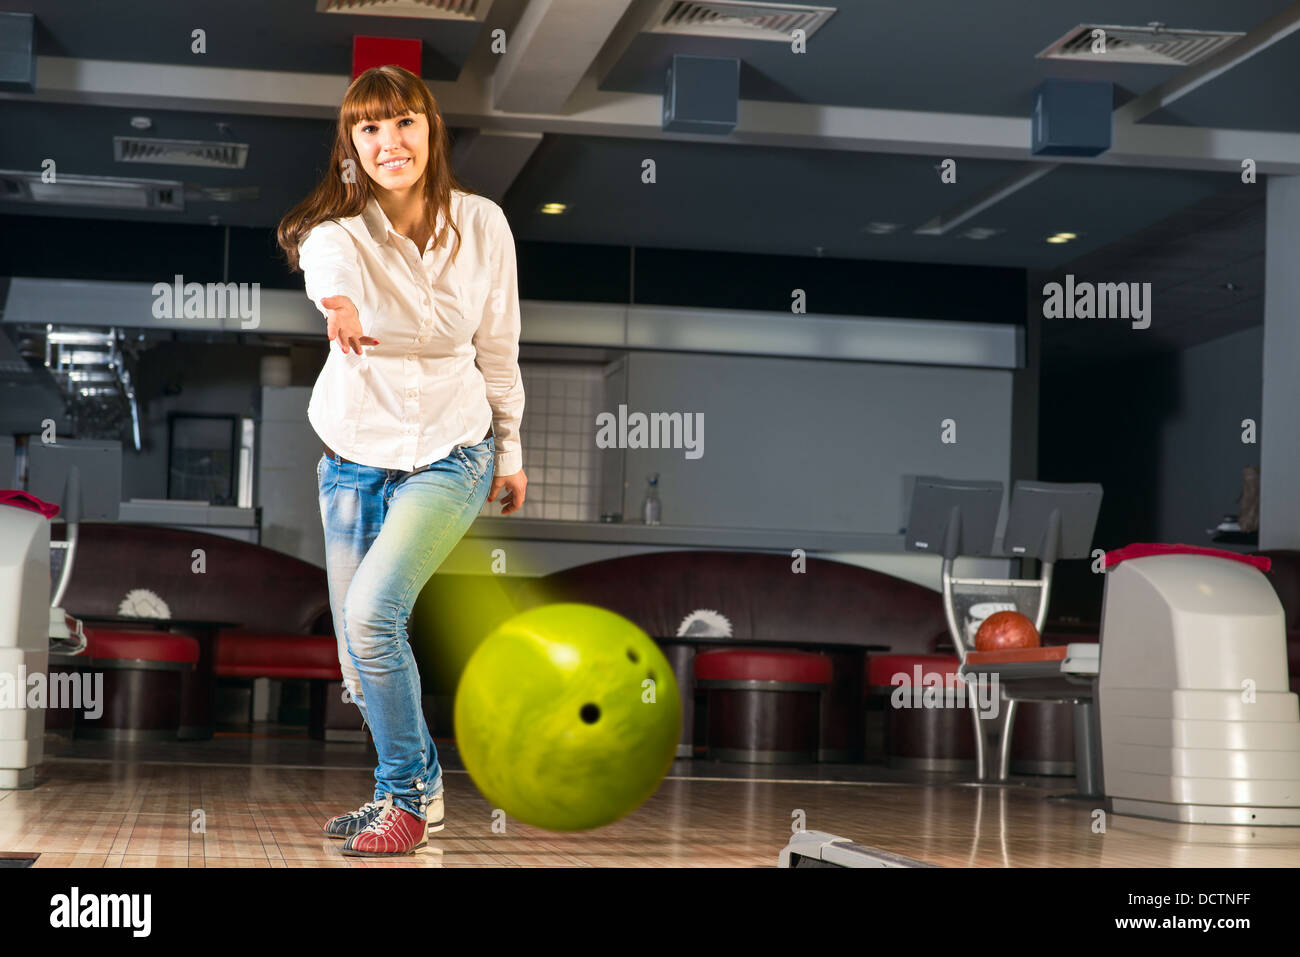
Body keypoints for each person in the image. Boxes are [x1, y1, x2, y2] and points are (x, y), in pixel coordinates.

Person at [276, 65, 527, 857]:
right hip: (354, 456)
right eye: (370, 128)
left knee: (372, 616)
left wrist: (510, 451)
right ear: (351, 145)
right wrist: (340, 307)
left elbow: (500, 346)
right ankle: (414, 786)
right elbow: (330, 273)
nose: (390, 142)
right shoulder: (338, 235)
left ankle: (407, 802)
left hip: (452, 451)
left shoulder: (483, 224)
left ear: (431, 131)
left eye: (405, 123)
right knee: (360, 664)